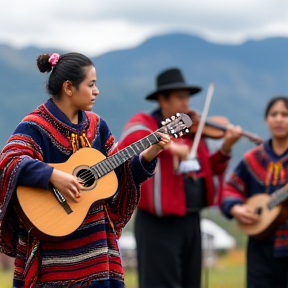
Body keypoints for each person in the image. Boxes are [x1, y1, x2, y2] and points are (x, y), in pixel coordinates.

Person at [0, 52, 172, 288]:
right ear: (69, 87)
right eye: (91, 85)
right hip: (53, 254)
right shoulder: (36, 125)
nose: (96, 90)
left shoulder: (97, 126)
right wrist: (52, 176)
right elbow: (10, 160)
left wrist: (149, 154)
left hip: (97, 249)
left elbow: (118, 175)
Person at [118, 68, 242, 288]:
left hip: (191, 220)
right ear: (163, 100)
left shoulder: (194, 131)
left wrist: (225, 148)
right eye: (180, 98)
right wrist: (170, 147)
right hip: (157, 223)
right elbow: (132, 138)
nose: (187, 104)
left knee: (190, 282)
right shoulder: (146, 122)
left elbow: (208, 169)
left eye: (187, 98)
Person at [221, 96, 288, 288]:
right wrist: (235, 208)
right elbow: (230, 188)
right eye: (274, 114)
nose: (279, 119)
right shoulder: (253, 158)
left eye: (285, 114)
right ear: (266, 120)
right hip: (260, 245)